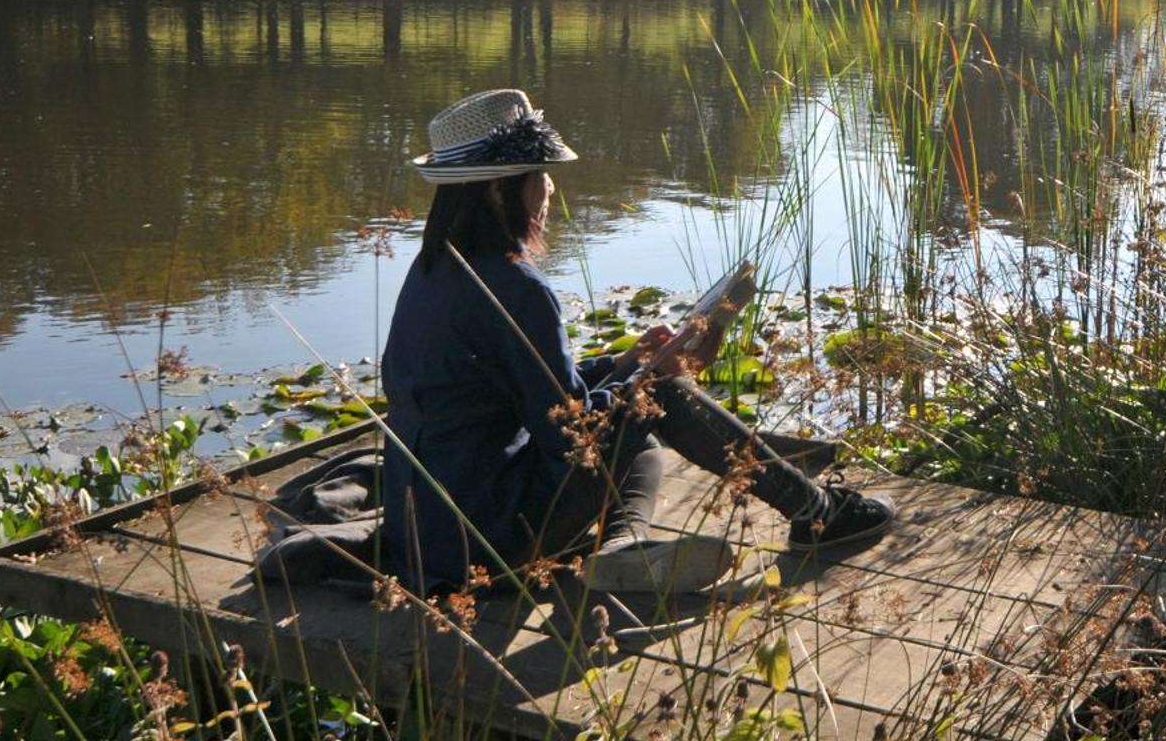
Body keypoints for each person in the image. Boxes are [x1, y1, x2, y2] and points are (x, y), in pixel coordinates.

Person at [378, 88, 894, 596]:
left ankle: (623, 547)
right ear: (497, 191)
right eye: (540, 176)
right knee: (657, 397)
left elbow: (528, 388)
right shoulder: (517, 288)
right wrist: (652, 374)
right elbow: (571, 434)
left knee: (641, 438)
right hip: (489, 544)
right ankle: (818, 513)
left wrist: (628, 361)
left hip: (426, 534)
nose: (550, 190)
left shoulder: (433, 270)